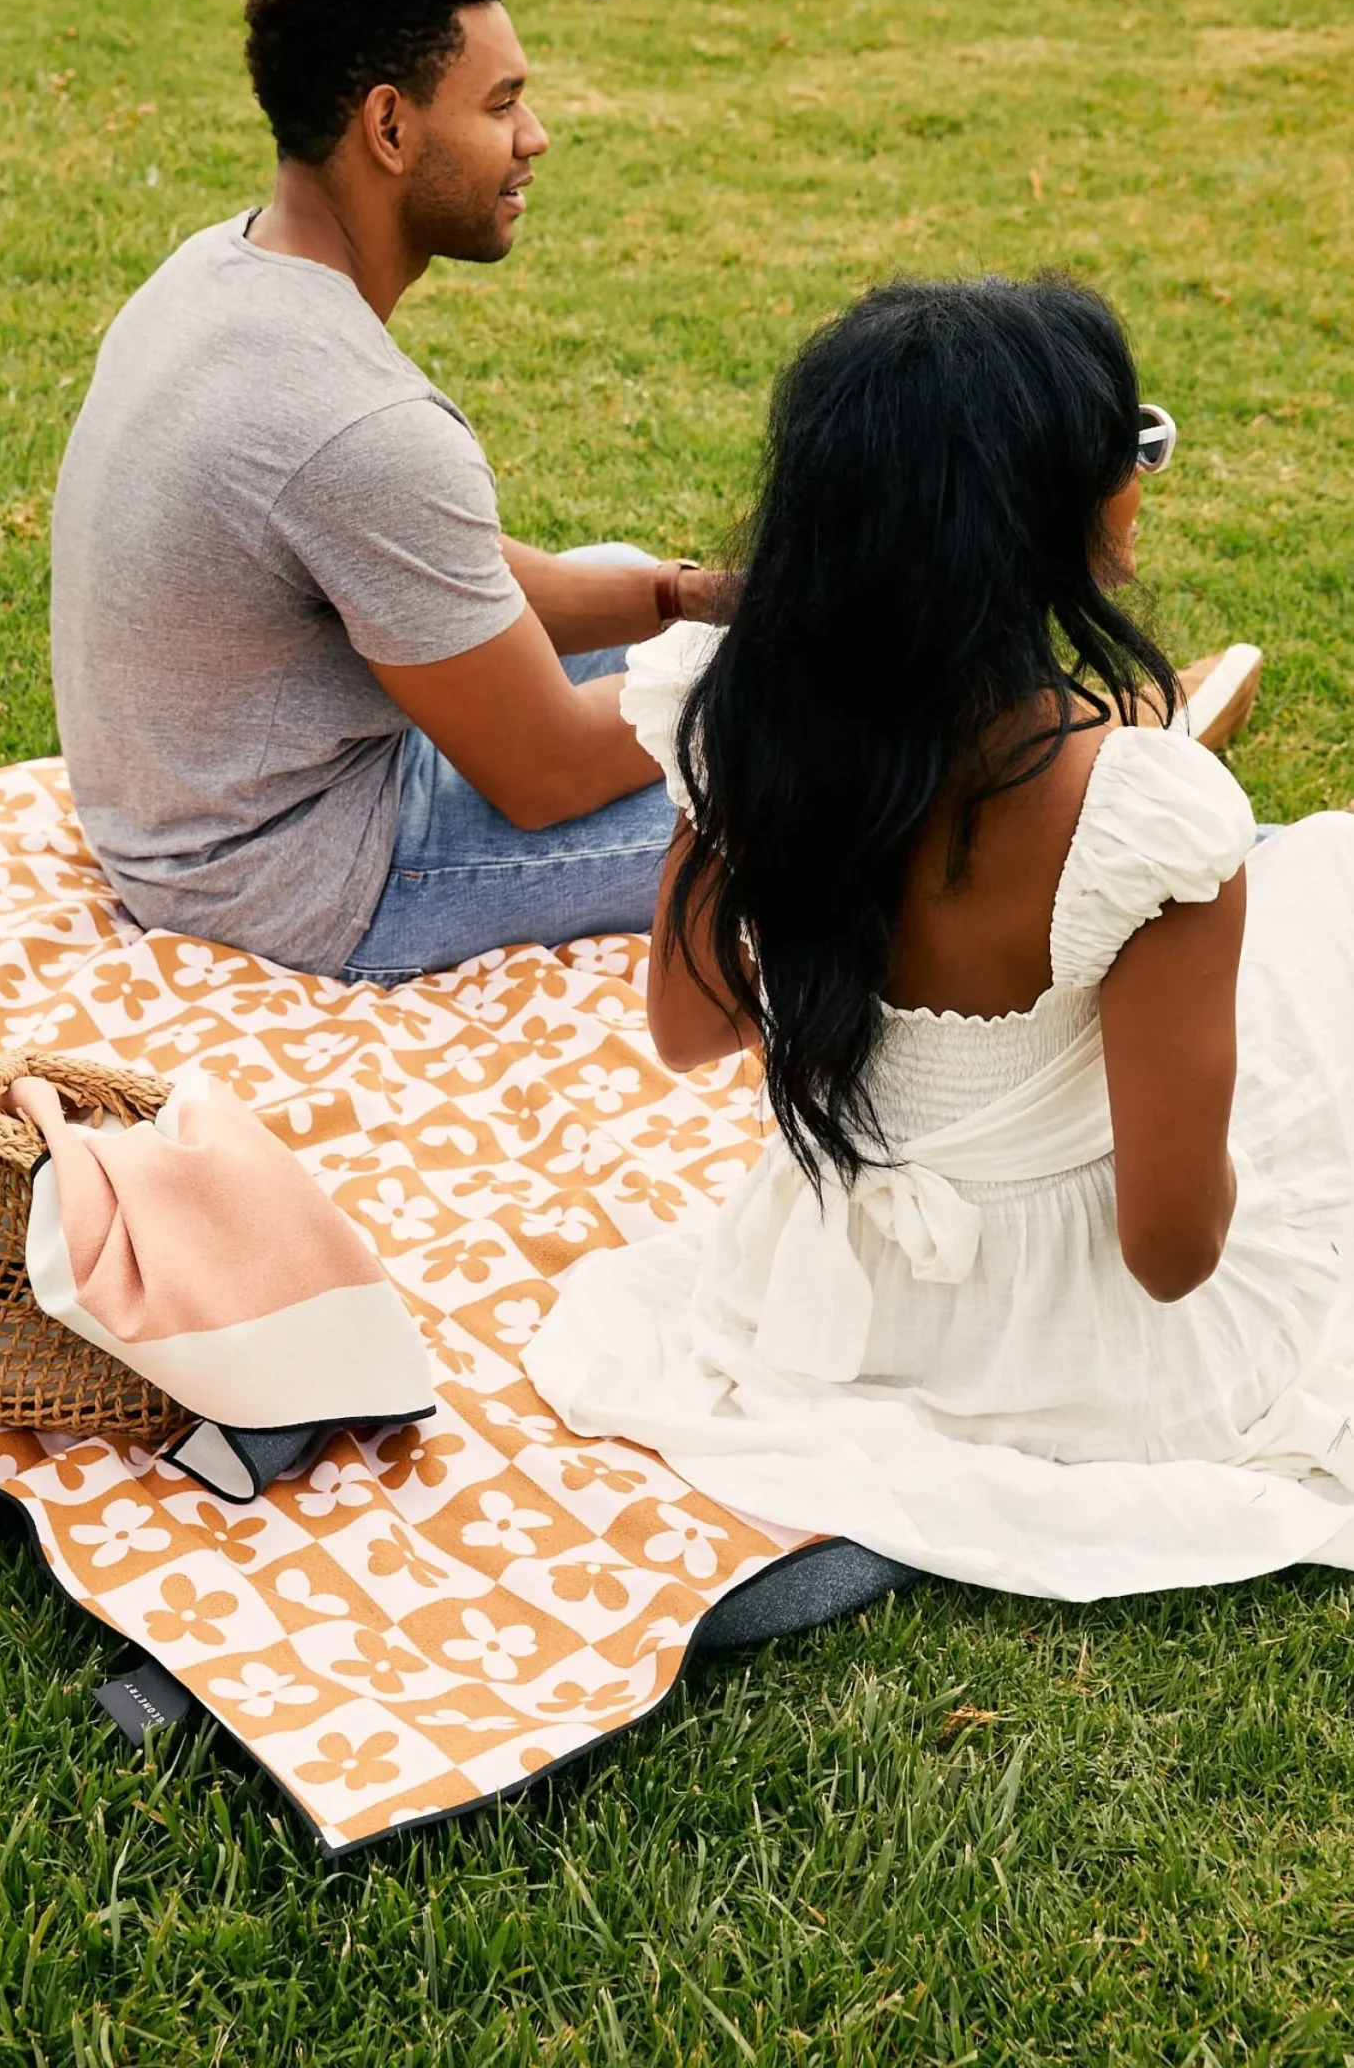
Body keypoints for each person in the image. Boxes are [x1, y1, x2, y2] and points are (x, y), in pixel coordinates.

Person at [526, 275, 1354, 1604]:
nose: (1143, 474)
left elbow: (685, 1031)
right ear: (1043, 513)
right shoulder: (1143, 819)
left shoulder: (738, 723)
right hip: (1086, 1356)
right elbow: (1168, 1251)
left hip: (818, 1298)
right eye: (1129, 445)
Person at [51, 0, 727, 983]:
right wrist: (779, 673)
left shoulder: (217, 271)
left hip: (194, 798)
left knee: (622, 585)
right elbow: (545, 771)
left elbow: (430, 572)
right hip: (294, 877)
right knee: (825, 804)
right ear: (389, 127)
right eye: (502, 103)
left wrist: (694, 600)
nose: (534, 137)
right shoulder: (359, 426)